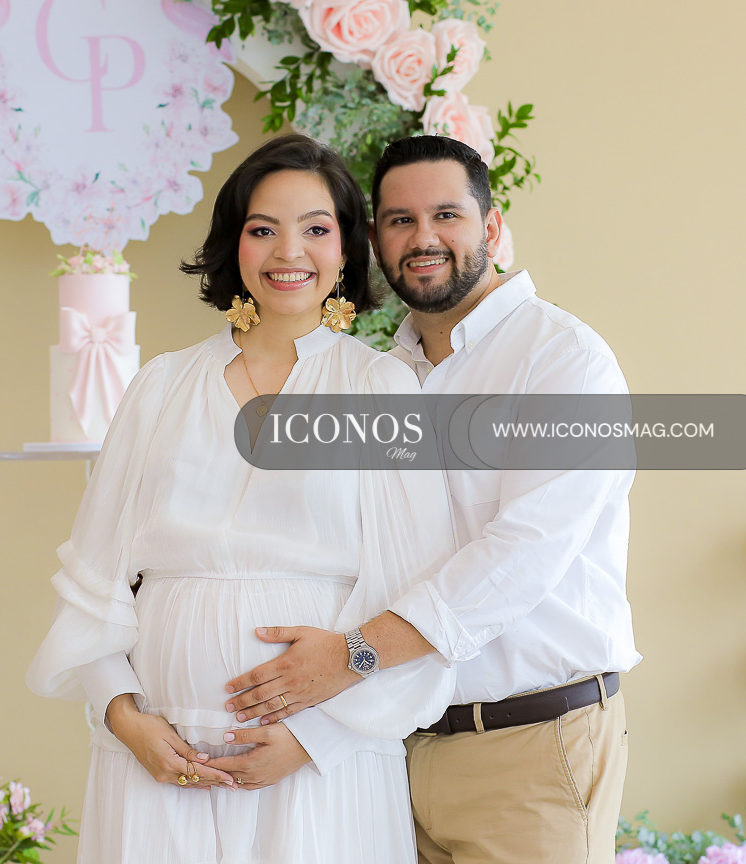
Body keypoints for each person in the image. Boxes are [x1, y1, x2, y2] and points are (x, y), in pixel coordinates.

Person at [25, 134, 458, 863]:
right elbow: (92, 582)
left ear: (347, 249)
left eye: (315, 229)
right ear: (234, 244)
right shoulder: (161, 386)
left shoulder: (380, 388)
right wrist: (125, 719)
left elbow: (419, 601)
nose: (289, 251)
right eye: (263, 229)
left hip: (322, 764)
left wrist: (314, 740)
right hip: (156, 758)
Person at [221, 135, 641, 864]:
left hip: (529, 745)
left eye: (446, 215)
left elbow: (521, 556)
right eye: (399, 220)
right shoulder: (384, 374)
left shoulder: (561, 359)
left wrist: (351, 655)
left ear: (492, 226)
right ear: (374, 239)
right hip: (394, 752)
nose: (423, 238)